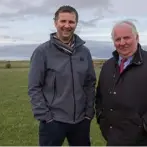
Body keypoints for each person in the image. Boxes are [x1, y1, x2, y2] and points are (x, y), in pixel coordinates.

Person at [95, 20, 147, 146]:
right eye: (118, 39)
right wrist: (103, 121)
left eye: (126, 38)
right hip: (113, 140)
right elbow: (100, 98)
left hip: (144, 141)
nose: (122, 43)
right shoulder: (108, 66)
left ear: (137, 37)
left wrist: (144, 125)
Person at [28, 5, 96, 146]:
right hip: (53, 122)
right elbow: (34, 87)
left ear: (76, 23)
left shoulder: (84, 53)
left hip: (81, 121)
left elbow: (90, 83)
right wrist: (46, 117)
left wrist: (89, 112)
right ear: (55, 23)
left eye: (71, 22)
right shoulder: (42, 52)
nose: (67, 26)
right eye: (63, 21)